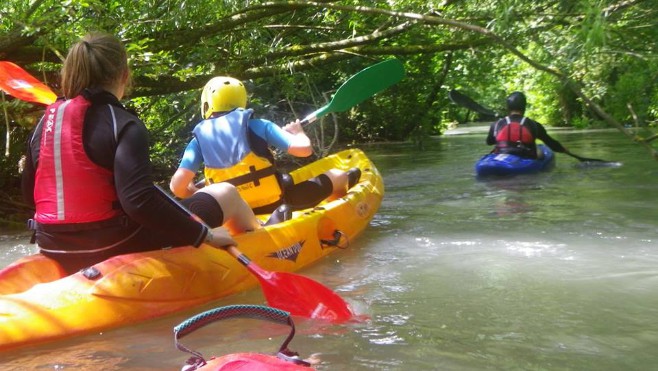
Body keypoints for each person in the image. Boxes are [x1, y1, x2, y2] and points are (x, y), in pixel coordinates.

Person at [21, 33, 260, 275]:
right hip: (112, 245)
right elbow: (139, 202)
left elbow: (31, 197)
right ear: (125, 75)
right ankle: (266, 239)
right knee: (226, 193)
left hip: (53, 246)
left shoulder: (44, 126)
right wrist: (204, 234)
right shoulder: (124, 123)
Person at [169, 76, 360, 221]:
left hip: (232, 214)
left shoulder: (198, 141)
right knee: (338, 175)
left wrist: (193, 193)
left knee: (285, 179)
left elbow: (177, 187)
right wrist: (297, 132)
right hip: (274, 203)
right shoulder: (260, 125)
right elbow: (304, 150)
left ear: (207, 104)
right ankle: (340, 210)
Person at [486, 91, 568, 158]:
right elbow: (551, 143)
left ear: (508, 107)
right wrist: (563, 149)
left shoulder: (496, 124)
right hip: (526, 156)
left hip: (501, 155)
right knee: (541, 151)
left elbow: (489, 142)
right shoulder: (534, 125)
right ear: (524, 107)